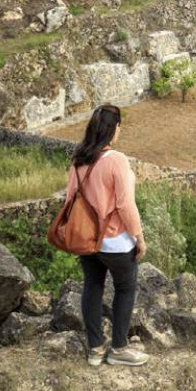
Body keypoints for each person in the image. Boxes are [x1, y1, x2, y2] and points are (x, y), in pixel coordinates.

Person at [67, 104, 149, 367]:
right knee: (125, 289)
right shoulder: (116, 159)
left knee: (92, 286)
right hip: (115, 241)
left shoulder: (79, 158)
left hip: (86, 239)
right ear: (115, 129)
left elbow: (69, 199)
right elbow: (125, 204)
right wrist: (139, 236)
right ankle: (119, 348)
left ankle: (95, 348)